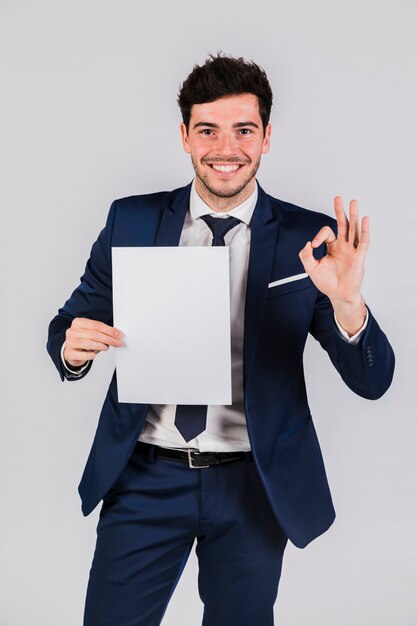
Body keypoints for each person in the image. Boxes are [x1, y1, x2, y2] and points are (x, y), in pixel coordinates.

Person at [47, 53, 395, 626]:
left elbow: (372, 381)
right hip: (145, 476)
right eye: (207, 130)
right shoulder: (130, 221)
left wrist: (348, 302)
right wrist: (69, 347)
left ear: (266, 138)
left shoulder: (308, 240)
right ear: (184, 135)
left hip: (252, 484)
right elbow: (72, 320)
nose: (225, 148)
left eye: (244, 130)